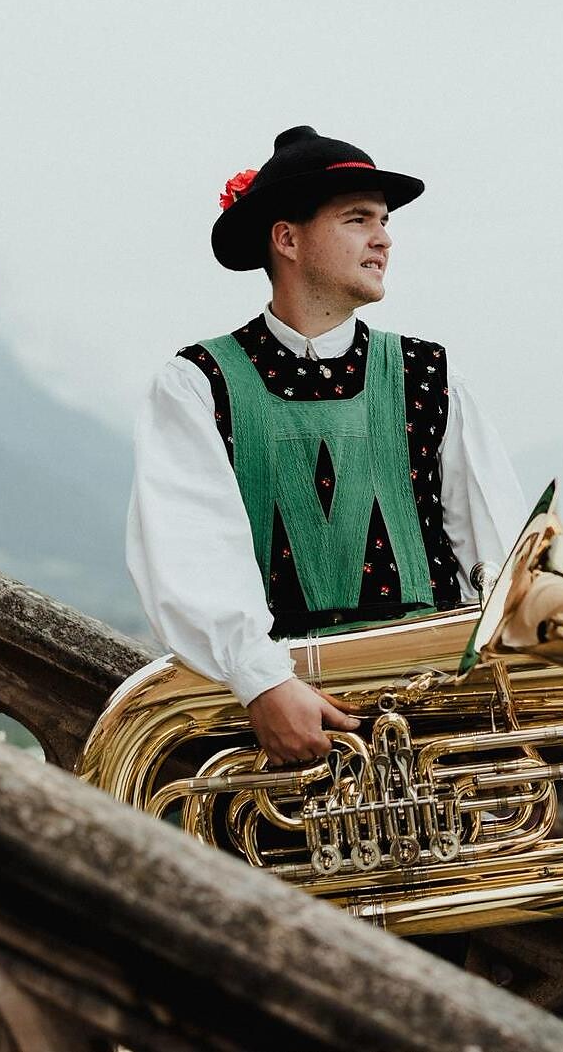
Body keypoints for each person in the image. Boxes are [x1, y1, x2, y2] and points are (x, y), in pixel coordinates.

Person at [127, 124, 525, 775]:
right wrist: (260, 680)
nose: (384, 237)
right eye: (357, 218)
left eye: (385, 220)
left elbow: (503, 565)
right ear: (287, 238)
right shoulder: (198, 385)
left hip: (435, 748)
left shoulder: (431, 379)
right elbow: (191, 555)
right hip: (276, 747)